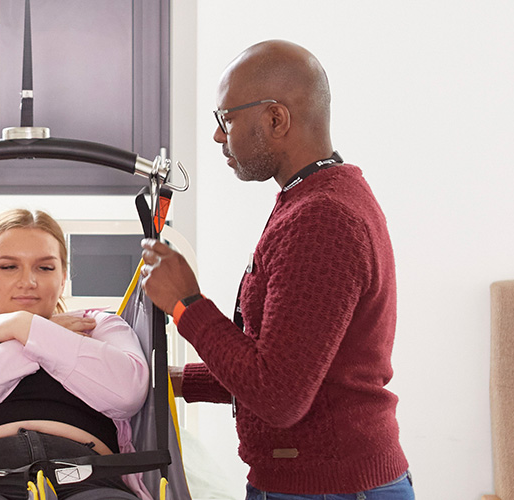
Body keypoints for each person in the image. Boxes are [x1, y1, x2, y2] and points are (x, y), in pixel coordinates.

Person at [139, 40, 413, 499]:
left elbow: (279, 394)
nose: (218, 137)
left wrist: (187, 305)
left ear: (275, 119)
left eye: (226, 119)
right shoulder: (311, 199)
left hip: (332, 488)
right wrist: (178, 383)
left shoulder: (323, 219)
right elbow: (297, 365)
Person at [0, 209, 150, 500]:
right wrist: (33, 334)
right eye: (9, 267)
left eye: (44, 268)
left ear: (63, 278)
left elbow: (127, 394)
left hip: (89, 475)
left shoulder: (98, 326)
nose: (28, 281)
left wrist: (26, 326)